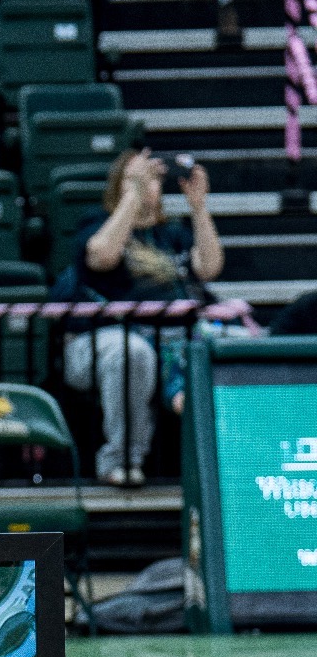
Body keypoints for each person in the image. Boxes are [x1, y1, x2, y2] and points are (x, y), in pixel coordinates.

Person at [67, 148, 223, 485]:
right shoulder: (95, 223)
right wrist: (132, 198)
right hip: (102, 339)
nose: (144, 185)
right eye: (134, 178)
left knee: (236, 345)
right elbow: (101, 256)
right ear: (117, 186)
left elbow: (209, 268)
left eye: (151, 179)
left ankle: (234, 454)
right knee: (132, 353)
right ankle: (120, 460)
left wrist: (199, 207)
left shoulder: (173, 234)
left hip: (176, 339)